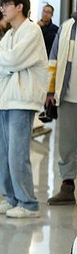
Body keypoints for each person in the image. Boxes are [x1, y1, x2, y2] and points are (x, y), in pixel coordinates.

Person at [0, 0, 49, 218]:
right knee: (2, 153)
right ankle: (11, 198)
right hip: (5, 99)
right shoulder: (10, 34)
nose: (2, 9)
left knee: (17, 154)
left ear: (19, 7)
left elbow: (13, 59)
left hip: (22, 100)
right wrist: (8, 63)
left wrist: (8, 63)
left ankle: (28, 203)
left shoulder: (31, 30)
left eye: (6, 5)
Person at [46, 11, 77, 205]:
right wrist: (50, 91)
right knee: (66, 145)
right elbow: (53, 59)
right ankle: (67, 187)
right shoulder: (66, 27)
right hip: (68, 96)